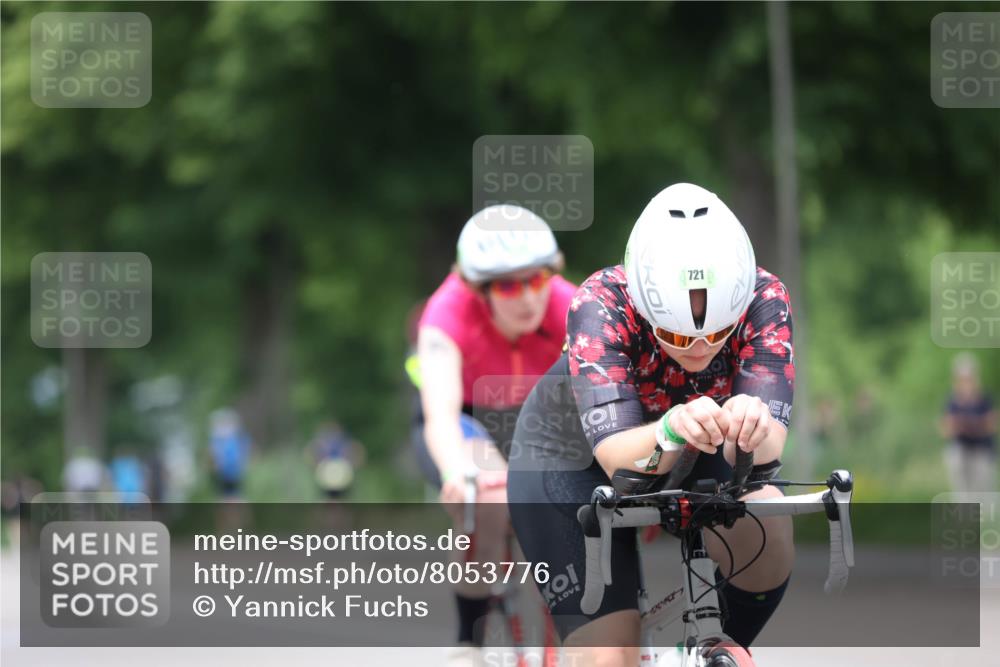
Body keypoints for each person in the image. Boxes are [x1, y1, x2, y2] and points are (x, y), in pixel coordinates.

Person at [507, 183, 796, 665]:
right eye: (676, 335)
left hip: (700, 442)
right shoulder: (600, 303)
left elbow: (764, 458)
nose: (699, 350)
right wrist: (669, 429)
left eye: (719, 333)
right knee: (609, 657)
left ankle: (713, 650)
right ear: (642, 304)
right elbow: (619, 460)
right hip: (571, 457)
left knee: (767, 512)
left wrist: (753, 427)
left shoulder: (766, 299)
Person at [411, 204, 576, 664]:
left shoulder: (574, 306)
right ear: (477, 289)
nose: (526, 298)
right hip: (469, 418)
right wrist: (455, 469)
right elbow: (442, 416)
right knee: (486, 497)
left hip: (541, 416)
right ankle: (470, 640)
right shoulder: (446, 314)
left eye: (537, 279)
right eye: (507, 285)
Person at [941, 354, 997, 493]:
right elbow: (946, 428)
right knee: (956, 465)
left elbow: (992, 424)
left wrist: (974, 425)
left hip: (982, 448)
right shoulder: (952, 400)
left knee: (982, 488)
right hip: (962, 448)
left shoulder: (984, 398)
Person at [309, 421, 365, 499]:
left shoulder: (340, 441)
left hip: (338, 472)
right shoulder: (326, 442)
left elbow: (357, 450)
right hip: (329, 472)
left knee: (337, 495)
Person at [208, 408, 251, 499]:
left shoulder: (236, 437)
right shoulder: (217, 439)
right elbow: (214, 455)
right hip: (224, 473)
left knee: (235, 495)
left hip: (235, 472)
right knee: (226, 496)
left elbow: (244, 449)